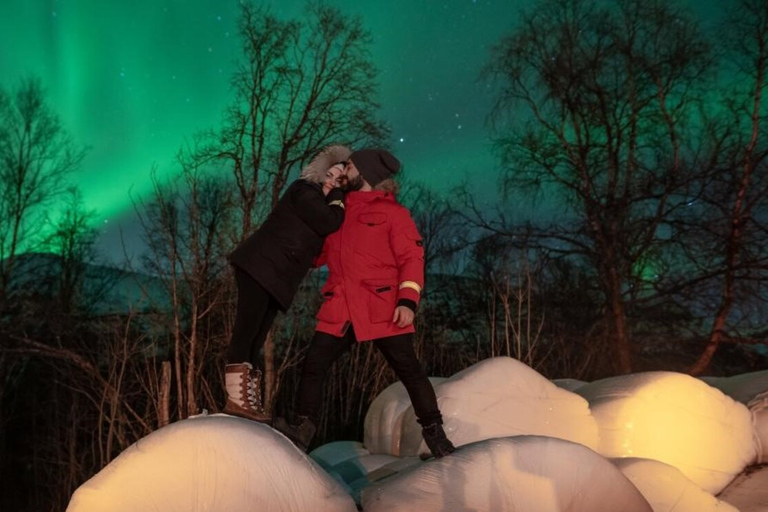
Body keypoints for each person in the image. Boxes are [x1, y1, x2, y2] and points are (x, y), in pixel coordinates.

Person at [275, 148, 456, 458]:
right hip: (341, 307)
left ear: (367, 174)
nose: (346, 169)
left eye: (352, 165)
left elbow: (412, 257)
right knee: (313, 366)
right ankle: (302, 431)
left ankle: (436, 436)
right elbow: (319, 255)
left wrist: (408, 301)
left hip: (382, 307)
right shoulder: (338, 211)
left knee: (410, 371)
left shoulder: (393, 214)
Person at [224, 144, 351, 423]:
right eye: (330, 174)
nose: (332, 181)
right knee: (246, 333)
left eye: (339, 178)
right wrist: (341, 194)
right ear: (320, 172)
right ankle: (236, 399)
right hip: (259, 266)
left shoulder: (316, 198)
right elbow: (328, 221)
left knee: (256, 338)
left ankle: (245, 398)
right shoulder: (304, 191)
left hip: (274, 275)